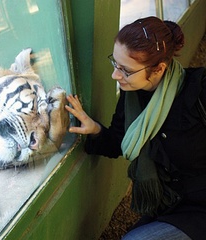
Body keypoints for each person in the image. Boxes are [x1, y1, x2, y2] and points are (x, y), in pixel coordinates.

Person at [65, 16, 206, 240]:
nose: (115, 75)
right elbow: (119, 143)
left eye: (126, 70)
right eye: (115, 63)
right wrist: (95, 129)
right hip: (167, 203)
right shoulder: (132, 95)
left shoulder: (200, 89)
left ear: (159, 69)